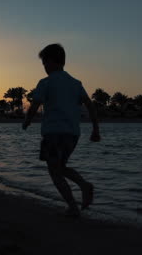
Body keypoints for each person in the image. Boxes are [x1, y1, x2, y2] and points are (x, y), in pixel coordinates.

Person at [22, 43, 100, 217]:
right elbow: (90, 105)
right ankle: (82, 187)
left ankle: (74, 205)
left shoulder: (46, 82)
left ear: (50, 62)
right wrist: (95, 129)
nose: (44, 68)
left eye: (44, 64)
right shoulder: (75, 83)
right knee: (60, 167)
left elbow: (35, 104)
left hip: (53, 132)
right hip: (72, 134)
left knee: (54, 171)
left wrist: (27, 121)